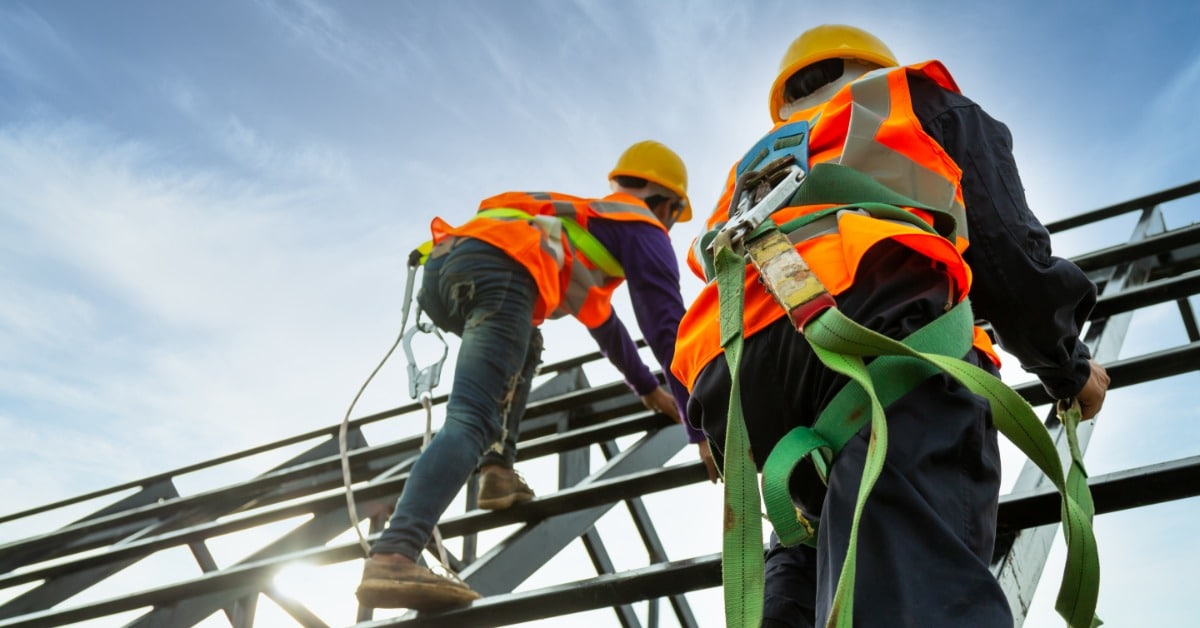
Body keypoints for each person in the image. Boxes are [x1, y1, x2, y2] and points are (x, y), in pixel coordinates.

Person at [671, 25, 1111, 627]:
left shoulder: (755, 168)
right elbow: (1008, 253)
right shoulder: (910, 97)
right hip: (880, 327)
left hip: (734, 381)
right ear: (871, 64)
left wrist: (704, 432)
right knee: (912, 588)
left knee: (806, 559)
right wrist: (1068, 366)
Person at [355, 140, 716, 613]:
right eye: (672, 216)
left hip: (446, 270)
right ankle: (395, 552)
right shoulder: (642, 227)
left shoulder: (580, 226)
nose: (668, 227)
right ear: (665, 202)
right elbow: (668, 328)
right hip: (501, 272)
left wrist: (648, 388)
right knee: (471, 419)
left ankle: (497, 470)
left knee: (527, 342)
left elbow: (607, 327)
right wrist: (701, 426)